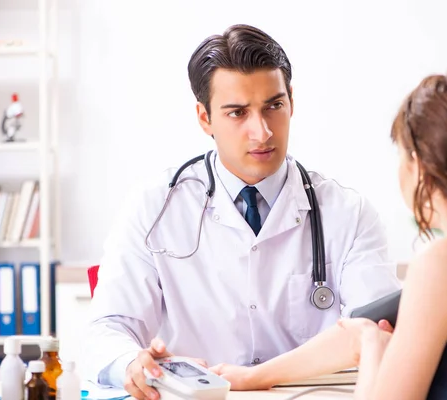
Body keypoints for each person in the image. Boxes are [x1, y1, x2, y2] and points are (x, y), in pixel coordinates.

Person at [81, 24, 402, 398]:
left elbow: (378, 330)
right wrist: (130, 362)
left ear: (291, 101)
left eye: (274, 106)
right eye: (237, 113)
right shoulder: (154, 209)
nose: (262, 131)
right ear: (205, 118)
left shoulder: (348, 213)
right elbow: (105, 329)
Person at [209, 67, 447, 400]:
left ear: (420, 165)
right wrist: (253, 377)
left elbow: (366, 338)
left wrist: (372, 345)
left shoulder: (446, 262)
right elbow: (354, 329)